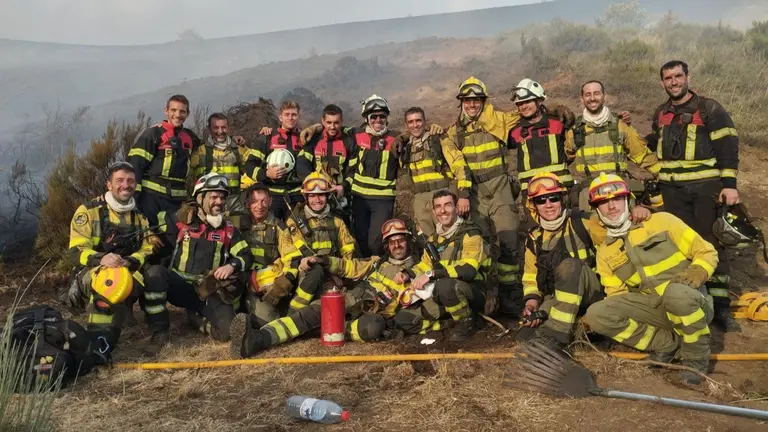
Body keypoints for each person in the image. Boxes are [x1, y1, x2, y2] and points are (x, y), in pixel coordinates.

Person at [583, 173, 717, 385]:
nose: (612, 207)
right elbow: (618, 296)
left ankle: (696, 358)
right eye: (604, 203)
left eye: (617, 199)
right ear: (596, 210)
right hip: (657, 311)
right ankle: (665, 344)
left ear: (628, 200)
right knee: (597, 313)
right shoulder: (605, 252)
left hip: (689, 303)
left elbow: (706, 252)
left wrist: (697, 273)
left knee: (676, 294)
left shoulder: (662, 221)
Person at [230, 218, 415, 358]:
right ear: (386, 246)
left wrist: (410, 276)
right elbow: (348, 267)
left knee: (374, 327)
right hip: (345, 300)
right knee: (306, 316)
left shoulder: (417, 272)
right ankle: (257, 340)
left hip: (368, 316)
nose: (397, 245)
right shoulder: (376, 262)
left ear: (408, 241)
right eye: (392, 241)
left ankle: (317, 329)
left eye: (401, 240)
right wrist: (323, 260)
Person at [648, 60, 740, 331]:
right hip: (671, 191)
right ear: (662, 82)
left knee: (711, 243)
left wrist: (729, 184)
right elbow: (657, 141)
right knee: (679, 245)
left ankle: (721, 307)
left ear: (687, 77)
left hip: (705, 189)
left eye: (678, 76)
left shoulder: (709, 109)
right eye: (668, 78)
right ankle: (693, 298)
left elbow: (727, 145)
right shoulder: (661, 112)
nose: (674, 82)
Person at [518, 172, 651, 350]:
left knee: (569, 266)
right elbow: (530, 277)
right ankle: (572, 329)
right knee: (525, 336)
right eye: (541, 200)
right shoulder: (534, 238)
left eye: (553, 198)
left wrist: (639, 210)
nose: (548, 205)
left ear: (562, 200)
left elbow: (617, 222)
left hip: (593, 294)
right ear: (533, 205)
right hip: (559, 299)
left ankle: (559, 337)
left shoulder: (583, 222)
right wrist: (531, 305)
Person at [64, 161, 165, 354]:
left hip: (128, 270)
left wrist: (130, 261)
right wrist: (101, 259)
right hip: (95, 272)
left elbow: (146, 247)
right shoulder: (88, 211)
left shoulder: (139, 217)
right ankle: (99, 343)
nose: (125, 185)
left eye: (130, 181)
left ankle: (158, 329)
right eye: (119, 180)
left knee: (156, 274)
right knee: (107, 283)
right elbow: (76, 250)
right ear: (109, 185)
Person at [441, 77, 522, 316]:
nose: (472, 105)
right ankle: (485, 295)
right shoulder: (454, 133)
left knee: (508, 240)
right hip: (473, 194)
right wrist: (463, 194)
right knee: (480, 246)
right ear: (461, 103)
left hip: (500, 188)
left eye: (476, 100)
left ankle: (509, 295)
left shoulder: (498, 120)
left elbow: (527, 114)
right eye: (467, 101)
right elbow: (457, 166)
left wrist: (553, 109)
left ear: (483, 101)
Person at [146, 173, 253, 343]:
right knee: (155, 274)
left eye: (222, 197)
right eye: (214, 197)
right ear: (200, 198)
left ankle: (196, 320)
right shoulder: (180, 221)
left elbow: (246, 256)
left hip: (207, 291)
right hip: (180, 288)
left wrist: (231, 266)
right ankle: (159, 331)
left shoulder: (230, 230)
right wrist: (151, 236)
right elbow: (149, 222)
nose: (219, 202)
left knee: (228, 332)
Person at [393, 190, 491, 342]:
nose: (442, 210)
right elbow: (424, 265)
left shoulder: (471, 234)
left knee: (445, 286)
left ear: (456, 208)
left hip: (473, 291)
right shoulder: (434, 238)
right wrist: (407, 274)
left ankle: (465, 323)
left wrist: (431, 275)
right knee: (403, 319)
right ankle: (449, 323)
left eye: (447, 205)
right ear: (433, 212)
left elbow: (469, 270)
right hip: (444, 295)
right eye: (438, 207)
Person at [571, 80, 660, 210]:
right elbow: (564, 156)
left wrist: (664, 176)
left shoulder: (621, 126)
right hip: (589, 196)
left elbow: (641, 154)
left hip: (620, 193)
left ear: (604, 96)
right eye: (588, 95)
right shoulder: (574, 132)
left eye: (596, 93)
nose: (592, 98)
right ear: (582, 99)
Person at [283, 172, 357, 311]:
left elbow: (348, 252)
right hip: (306, 273)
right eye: (312, 195)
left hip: (333, 274)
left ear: (328, 196)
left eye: (321, 195)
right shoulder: (295, 222)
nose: (317, 200)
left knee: (346, 306)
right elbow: (297, 253)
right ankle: (294, 311)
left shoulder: (337, 221)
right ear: (305, 197)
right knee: (316, 271)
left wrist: (339, 274)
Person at [128, 94, 201, 228]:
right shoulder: (152, 134)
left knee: (175, 240)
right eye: (173, 110)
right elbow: (134, 168)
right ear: (166, 111)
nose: (177, 115)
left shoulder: (190, 137)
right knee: (152, 239)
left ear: (188, 114)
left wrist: (234, 139)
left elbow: (209, 153)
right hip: (151, 200)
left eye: (182, 111)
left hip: (178, 203)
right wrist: (135, 200)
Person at [399, 106, 471, 236]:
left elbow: (459, 164)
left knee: (453, 235)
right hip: (420, 201)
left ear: (425, 122)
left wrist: (463, 194)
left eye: (418, 120)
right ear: (406, 125)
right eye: (411, 122)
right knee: (428, 242)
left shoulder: (438, 139)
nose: (415, 125)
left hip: (443, 195)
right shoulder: (405, 148)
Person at [240, 184, 303, 328]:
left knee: (269, 322)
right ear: (248, 203)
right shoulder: (238, 224)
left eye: (263, 201)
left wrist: (285, 280)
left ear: (270, 201)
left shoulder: (279, 226)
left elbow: (291, 257)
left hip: (267, 285)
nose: (259, 206)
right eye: (254, 201)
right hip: (243, 281)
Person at [508, 78, 576, 196]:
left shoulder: (558, 123)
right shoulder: (515, 131)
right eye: (519, 104)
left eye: (527, 102)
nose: (523, 107)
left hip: (561, 190)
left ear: (539, 101)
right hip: (531, 193)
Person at [243, 100, 306, 220]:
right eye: (287, 114)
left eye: (294, 115)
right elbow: (250, 167)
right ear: (280, 117)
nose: (290, 118)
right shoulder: (267, 137)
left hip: (297, 197)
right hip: (271, 196)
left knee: (296, 234)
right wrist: (266, 174)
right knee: (271, 233)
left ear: (298, 117)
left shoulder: (304, 139)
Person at [296, 104, 358, 222]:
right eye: (329, 122)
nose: (332, 126)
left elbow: (354, 171)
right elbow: (302, 164)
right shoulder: (314, 139)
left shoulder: (349, 142)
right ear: (322, 121)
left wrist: (343, 187)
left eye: (336, 123)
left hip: (340, 199)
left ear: (342, 121)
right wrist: (312, 182)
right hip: (317, 196)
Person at [190, 113, 250, 225]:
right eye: (216, 127)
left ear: (229, 128)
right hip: (210, 205)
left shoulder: (239, 150)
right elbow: (188, 176)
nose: (220, 131)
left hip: (234, 205)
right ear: (209, 129)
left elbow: (255, 168)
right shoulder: (200, 152)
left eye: (223, 127)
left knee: (234, 237)